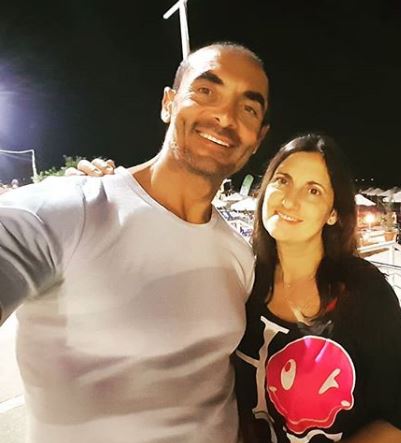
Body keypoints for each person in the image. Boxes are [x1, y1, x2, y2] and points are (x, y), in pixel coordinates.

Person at [0, 42, 269, 443]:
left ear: (258, 138)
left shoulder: (240, 256)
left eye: (248, 108)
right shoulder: (65, 211)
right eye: (205, 91)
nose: (225, 117)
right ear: (168, 104)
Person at [235, 134, 401, 442]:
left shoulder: (362, 291)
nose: (289, 200)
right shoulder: (244, 280)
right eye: (282, 181)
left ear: (333, 212)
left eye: (313, 190)